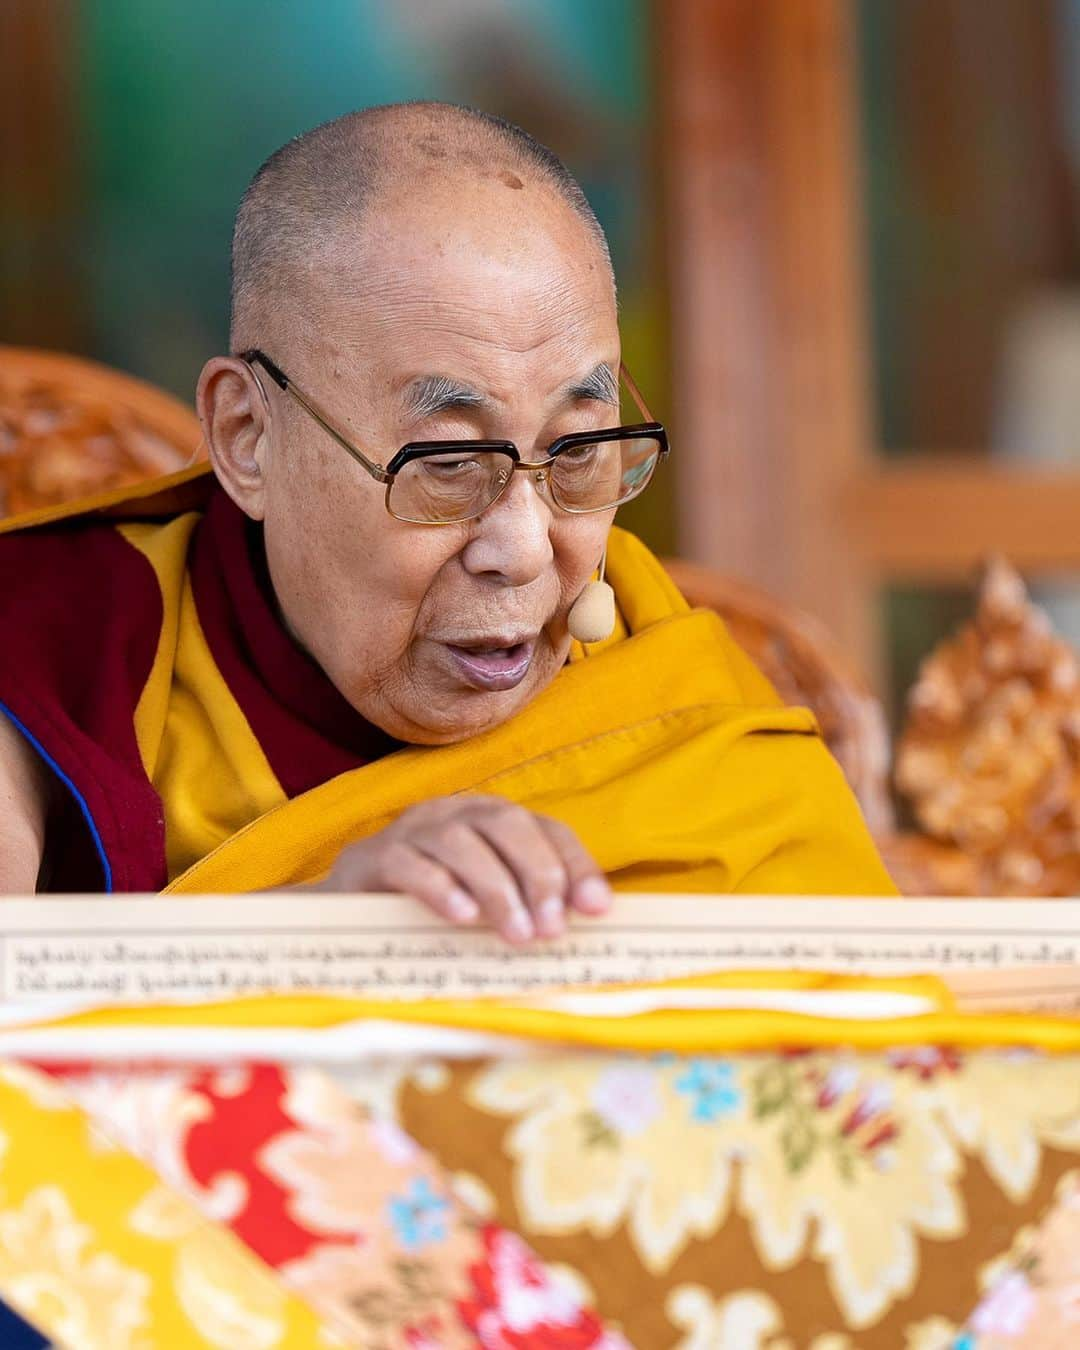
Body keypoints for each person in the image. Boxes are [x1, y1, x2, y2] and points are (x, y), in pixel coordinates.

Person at [0, 102, 895, 937]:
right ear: (247, 437)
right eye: (448, 466)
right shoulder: (56, 641)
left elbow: (870, 1061)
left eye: (577, 452)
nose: (523, 548)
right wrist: (326, 927)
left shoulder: (681, 706)